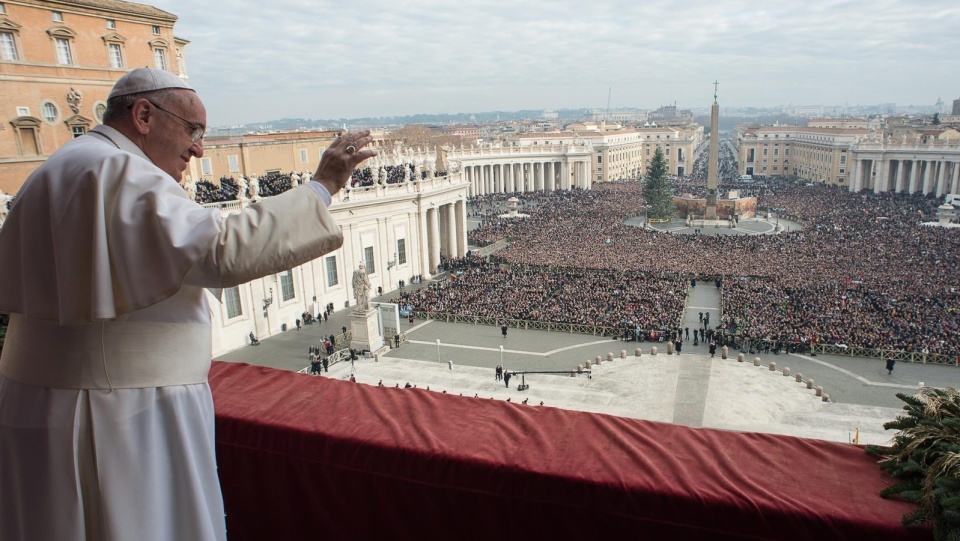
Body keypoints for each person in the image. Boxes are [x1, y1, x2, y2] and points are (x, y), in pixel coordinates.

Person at [0, 68, 376, 541]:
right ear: (143, 115)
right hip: (122, 416)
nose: (199, 148)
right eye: (192, 130)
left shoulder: (62, 166)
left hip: (48, 404)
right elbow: (222, 249)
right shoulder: (116, 169)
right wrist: (321, 186)